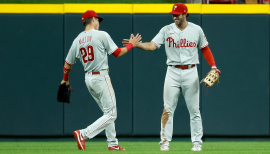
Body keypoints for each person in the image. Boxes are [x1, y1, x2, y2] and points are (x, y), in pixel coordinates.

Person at [123, 3, 220, 152]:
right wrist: (136, 45)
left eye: (178, 14)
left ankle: (197, 143)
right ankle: (165, 143)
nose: (174, 16)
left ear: (185, 14)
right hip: (172, 72)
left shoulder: (196, 30)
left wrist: (213, 66)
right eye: (173, 14)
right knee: (167, 110)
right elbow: (152, 46)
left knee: (194, 110)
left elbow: (205, 48)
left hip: (190, 71)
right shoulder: (166, 30)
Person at [61, 10, 141, 151]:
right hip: (101, 77)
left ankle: (112, 143)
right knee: (111, 114)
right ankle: (83, 134)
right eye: (97, 19)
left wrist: (65, 81)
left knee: (107, 112)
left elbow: (67, 64)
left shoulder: (77, 40)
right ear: (92, 19)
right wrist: (132, 44)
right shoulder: (101, 35)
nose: (98, 22)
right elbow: (117, 53)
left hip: (88, 79)